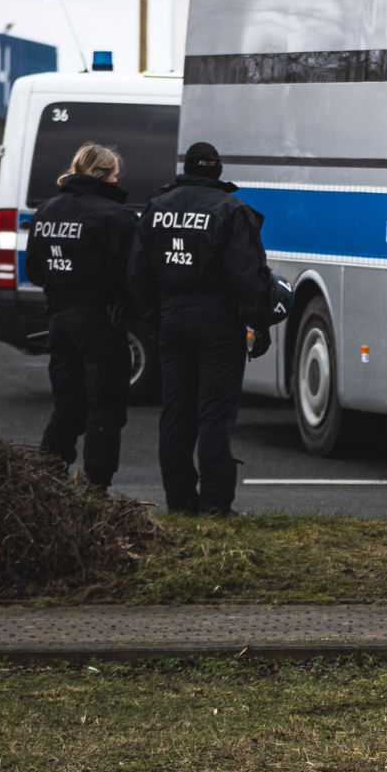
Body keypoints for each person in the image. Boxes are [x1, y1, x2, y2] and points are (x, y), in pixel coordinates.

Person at [137, 141, 276, 515]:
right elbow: (247, 276)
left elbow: (138, 273)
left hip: (173, 317)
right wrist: (259, 324)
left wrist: (155, 319)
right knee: (215, 415)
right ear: (216, 171)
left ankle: (180, 502)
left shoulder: (156, 207)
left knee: (176, 415)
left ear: (186, 169)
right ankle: (216, 505)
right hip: (218, 321)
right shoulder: (232, 210)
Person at [29, 142, 152, 492]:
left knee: (67, 404)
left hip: (60, 319)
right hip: (101, 322)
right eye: (115, 175)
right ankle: (96, 485)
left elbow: (35, 271)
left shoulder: (46, 212)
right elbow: (131, 276)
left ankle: (48, 477)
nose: (117, 181)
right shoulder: (116, 216)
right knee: (106, 407)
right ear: (106, 175)